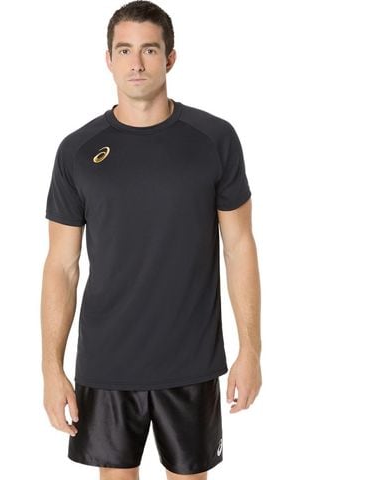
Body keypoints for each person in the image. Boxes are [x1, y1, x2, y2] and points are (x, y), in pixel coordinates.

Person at [41, 1, 262, 479]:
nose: (136, 63)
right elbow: (61, 266)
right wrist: (51, 369)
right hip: (107, 361)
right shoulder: (77, 151)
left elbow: (239, 246)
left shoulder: (214, 139)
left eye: (149, 50)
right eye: (124, 50)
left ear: (170, 57)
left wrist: (251, 351)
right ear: (108, 59)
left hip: (191, 360)